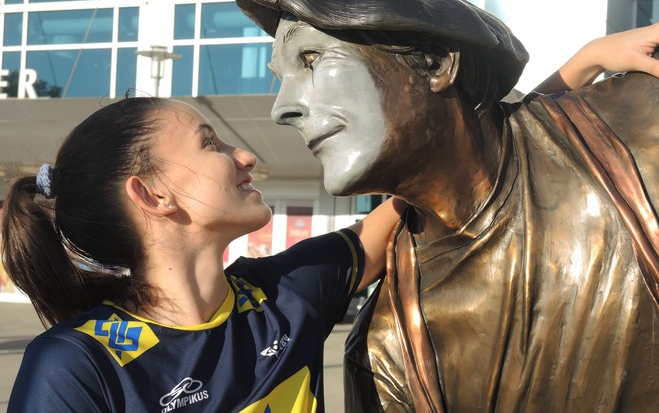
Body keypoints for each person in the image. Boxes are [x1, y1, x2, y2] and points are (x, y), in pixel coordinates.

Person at [236, 0, 659, 412]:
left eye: (310, 59)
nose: (282, 109)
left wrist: (588, 58)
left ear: (435, 63)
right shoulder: (387, 353)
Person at [1, 96, 406, 412]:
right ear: (153, 194)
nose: (246, 157)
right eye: (209, 142)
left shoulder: (289, 292)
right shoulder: (75, 365)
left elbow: (413, 201)